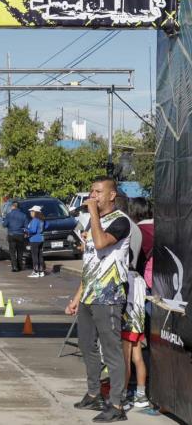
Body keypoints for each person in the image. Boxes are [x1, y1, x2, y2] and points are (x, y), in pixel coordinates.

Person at [65, 176, 131, 423]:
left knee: (112, 351)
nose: (93, 196)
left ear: (112, 195)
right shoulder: (95, 223)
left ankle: (117, 404)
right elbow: (90, 264)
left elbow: (102, 244)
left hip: (109, 296)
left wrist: (92, 213)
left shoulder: (120, 222)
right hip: (89, 295)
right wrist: (76, 297)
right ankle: (94, 393)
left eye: (99, 192)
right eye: (91, 192)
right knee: (85, 345)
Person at [121, 198, 152, 410]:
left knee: (125, 355)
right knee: (137, 354)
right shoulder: (144, 230)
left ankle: (121, 395)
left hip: (130, 301)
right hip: (140, 297)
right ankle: (141, 395)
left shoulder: (134, 229)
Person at [2, 201, 26, 272]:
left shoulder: (9, 215)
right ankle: (20, 266)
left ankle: (14, 267)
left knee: (12, 252)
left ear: (13, 206)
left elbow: (4, 225)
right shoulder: (23, 215)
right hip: (20, 235)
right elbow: (26, 225)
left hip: (11, 234)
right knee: (20, 252)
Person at [26, 206, 46, 278]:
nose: (30, 213)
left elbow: (33, 230)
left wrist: (26, 231)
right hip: (41, 238)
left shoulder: (35, 220)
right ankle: (41, 271)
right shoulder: (42, 220)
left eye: (32, 211)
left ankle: (36, 271)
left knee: (34, 256)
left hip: (34, 239)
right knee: (40, 255)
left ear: (35, 212)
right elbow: (46, 227)